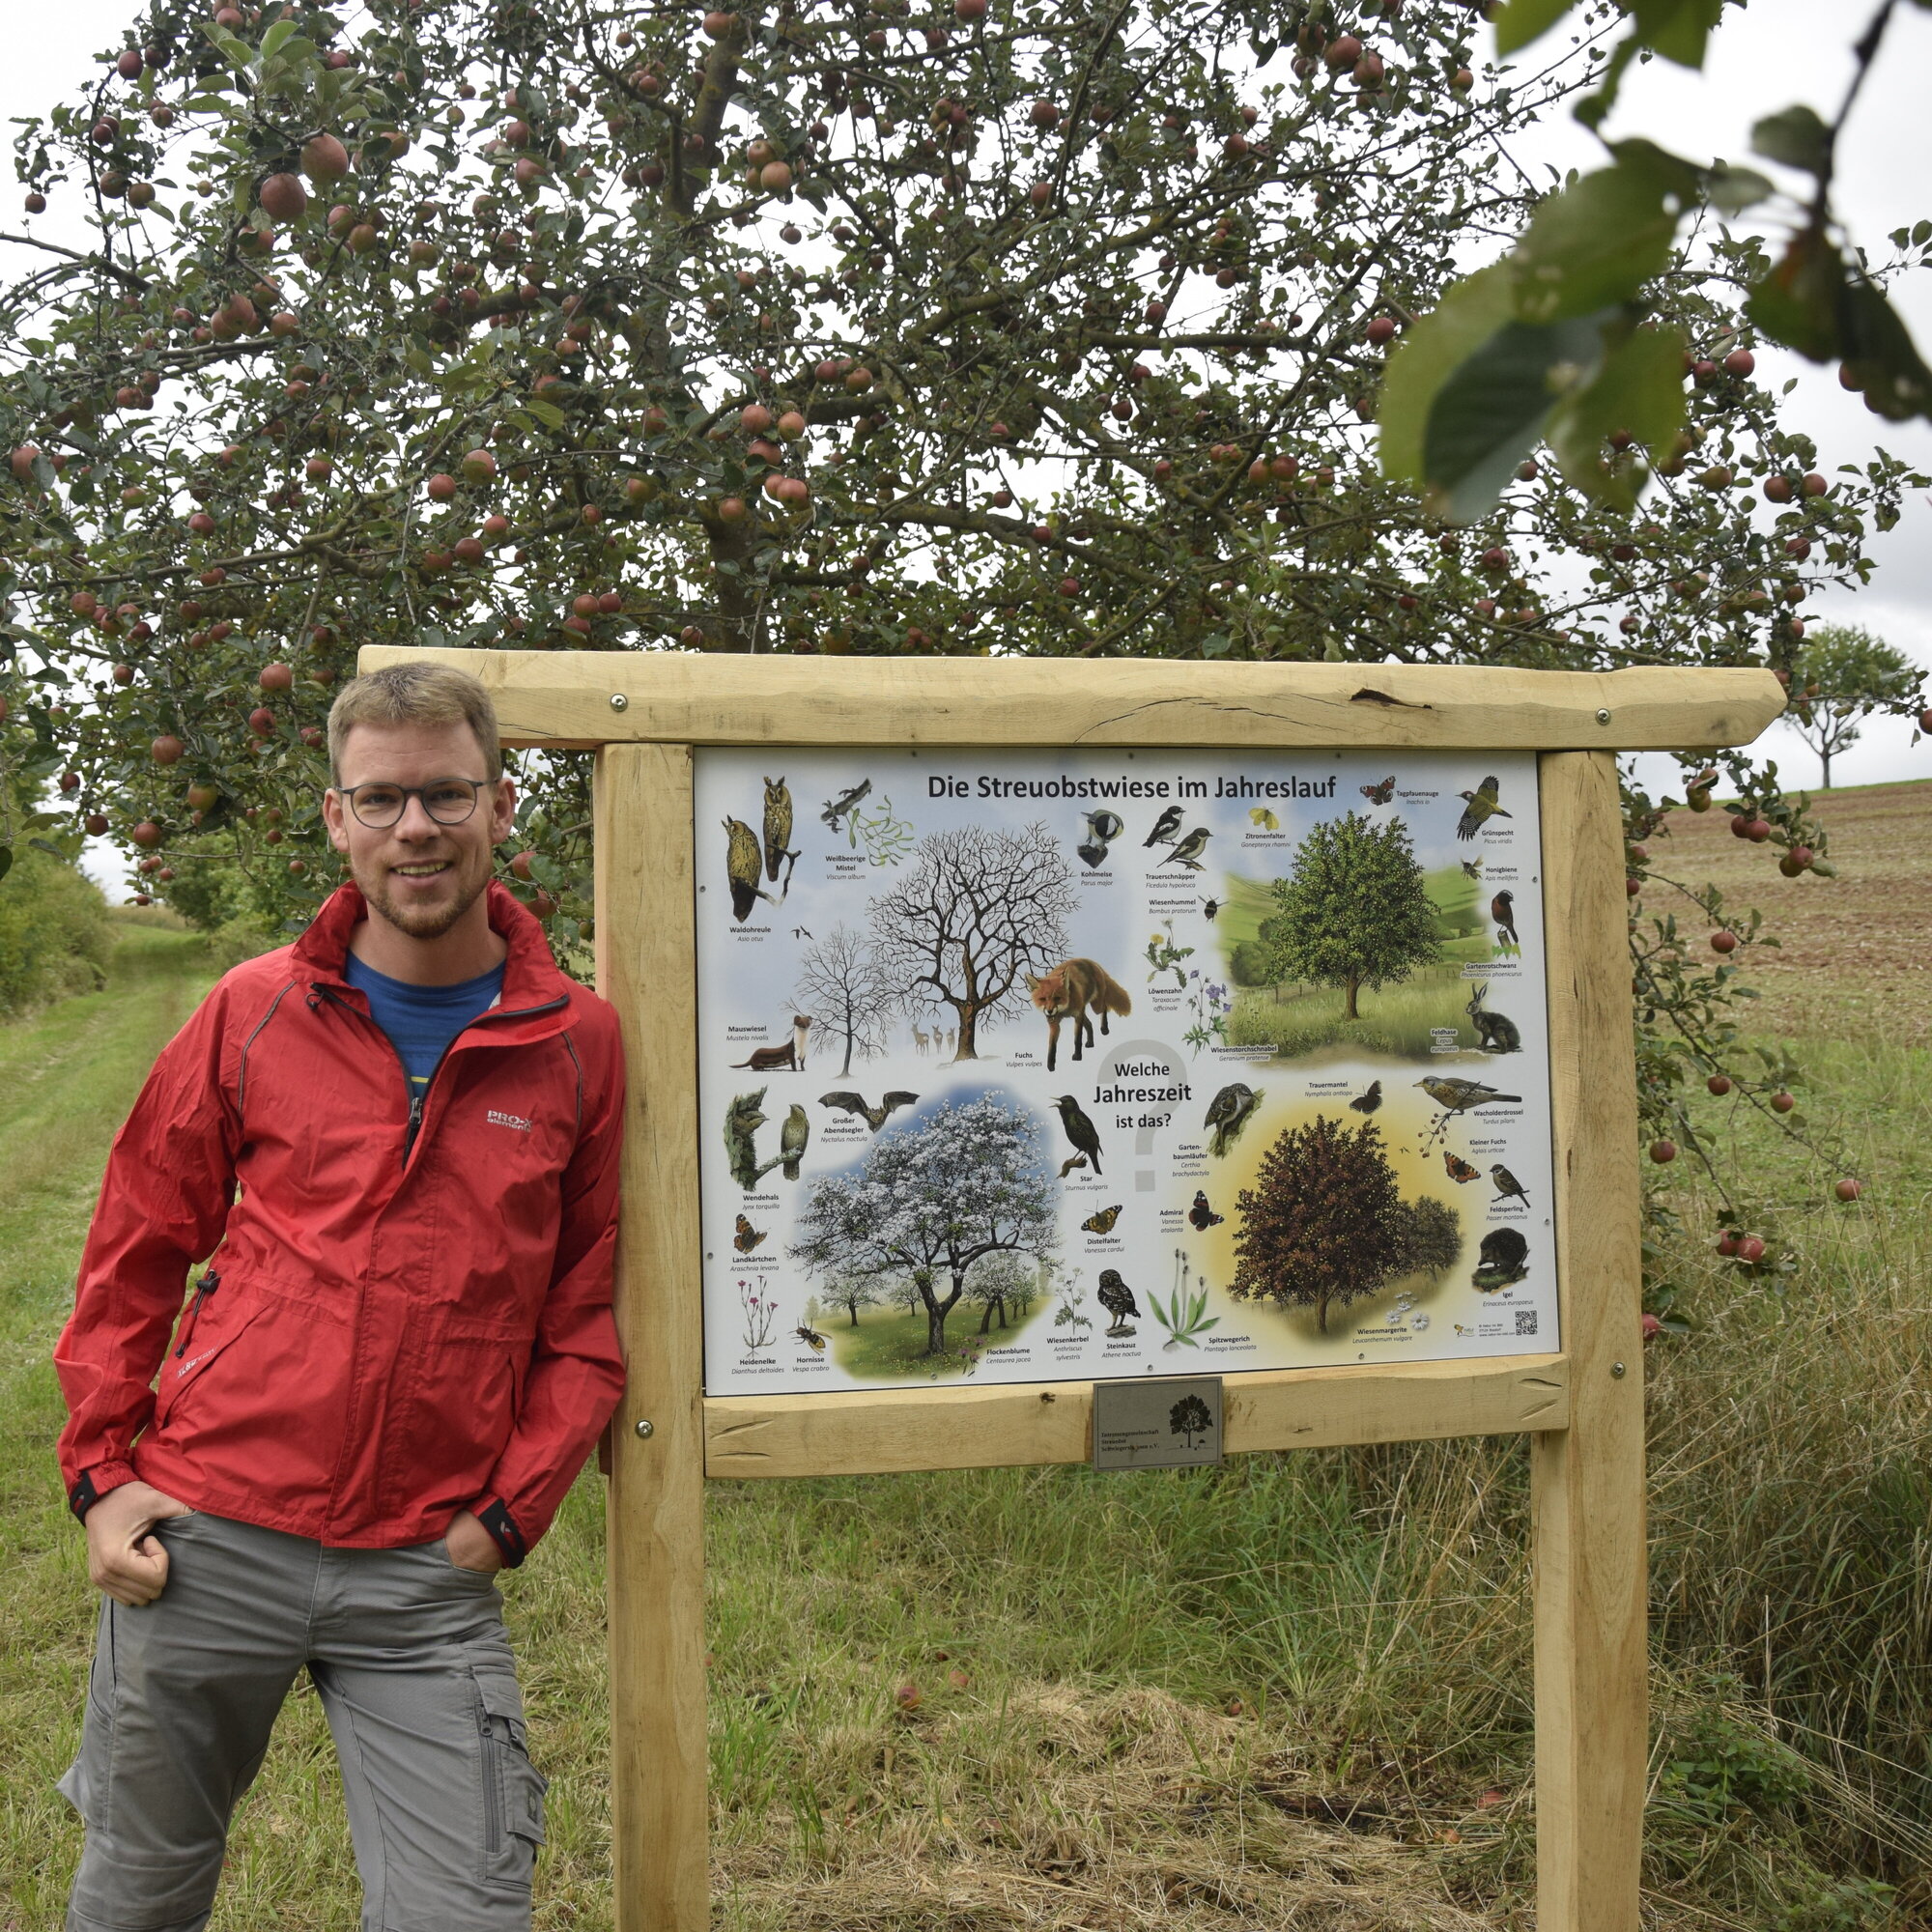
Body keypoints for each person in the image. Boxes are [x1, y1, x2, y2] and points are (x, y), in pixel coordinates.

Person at [52, 661, 627, 1931]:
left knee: (466, 1912)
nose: (413, 828)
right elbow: (137, 1241)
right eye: (381, 801)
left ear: (500, 803)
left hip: (424, 1574)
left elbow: (586, 1320)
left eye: (443, 795)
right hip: (207, 1542)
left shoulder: (580, 1044)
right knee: (137, 1894)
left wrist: (508, 1513)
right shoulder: (255, 1011)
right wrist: (102, 1473)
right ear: (337, 819)